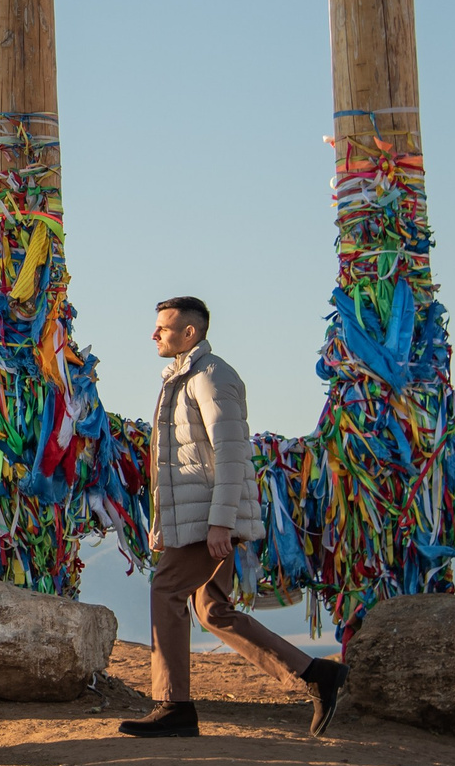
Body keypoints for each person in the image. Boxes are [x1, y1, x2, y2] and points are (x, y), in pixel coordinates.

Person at [120, 296, 346, 740]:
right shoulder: (183, 378)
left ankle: (174, 706)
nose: (154, 335)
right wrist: (161, 525)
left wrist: (221, 523)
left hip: (209, 519)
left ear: (190, 332)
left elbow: (231, 454)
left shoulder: (211, 376)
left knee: (167, 589)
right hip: (201, 518)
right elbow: (178, 463)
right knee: (212, 609)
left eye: (163, 328)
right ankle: (315, 673)